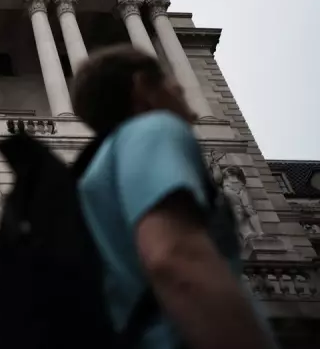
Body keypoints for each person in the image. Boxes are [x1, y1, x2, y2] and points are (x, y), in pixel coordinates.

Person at [72, 45, 276, 349]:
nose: (179, 87)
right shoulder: (154, 129)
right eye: (167, 79)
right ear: (143, 87)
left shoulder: (96, 168)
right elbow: (176, 256)